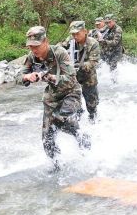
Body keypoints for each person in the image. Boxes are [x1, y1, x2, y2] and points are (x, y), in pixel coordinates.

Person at [17, 26, 82, 169]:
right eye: (30, 46)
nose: (34, 50)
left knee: (64, 120)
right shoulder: (31, 57)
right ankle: (56, 166)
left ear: (45, 41)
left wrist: (50, 77)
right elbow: (18, 76)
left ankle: (83, 141)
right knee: (47, 138)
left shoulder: (60, 53)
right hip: (51, 98)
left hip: (70, 94)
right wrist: (27, 76)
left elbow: (71, 79)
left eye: (36, 46)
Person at [61, 21, 101, 121]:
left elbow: (94, 62)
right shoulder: (70, 40)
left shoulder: (93, 43)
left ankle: (93, 121)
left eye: (77, 33)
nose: (75, 36)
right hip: (73, 78)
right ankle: (78, 121)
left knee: (91, 105)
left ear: (85, 31)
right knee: (73, 103)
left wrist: (78, 65)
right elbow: (60, 48)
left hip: (88, 78)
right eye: (73, 34)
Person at [98, 14, 123, 79]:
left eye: (109, 22)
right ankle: (101, 79)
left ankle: (114, 82)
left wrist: (104, 41)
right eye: (106, 23)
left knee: (112, 66)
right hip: (106, 51)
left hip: (115, 52)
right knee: (99, 64)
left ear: (114, 21)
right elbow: (99, 31)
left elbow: (115, 42)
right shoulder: (107, 27)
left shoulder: (118, 29)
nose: (108, 24)